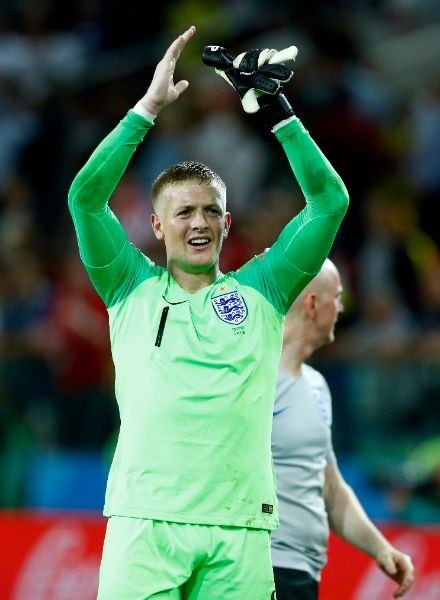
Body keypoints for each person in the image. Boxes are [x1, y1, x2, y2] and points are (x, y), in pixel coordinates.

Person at [68, 25, 349, 600]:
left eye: (210, 211)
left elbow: (330, 202)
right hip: (145, 523)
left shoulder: (265, 289)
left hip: (240, 527)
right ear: (156, 226)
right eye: (183, 212)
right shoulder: (126, 284)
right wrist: (147, 109)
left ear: (227, 222)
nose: (198, 222)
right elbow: (85, 198)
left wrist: (277, 110)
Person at [271, 259, 415, 600]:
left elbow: (331, 488)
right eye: (336, 297)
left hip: (304, 573)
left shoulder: (317, 386)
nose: (341, 308)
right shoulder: (254, 379)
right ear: (312, 304)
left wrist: (381, 549)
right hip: (260, 568)